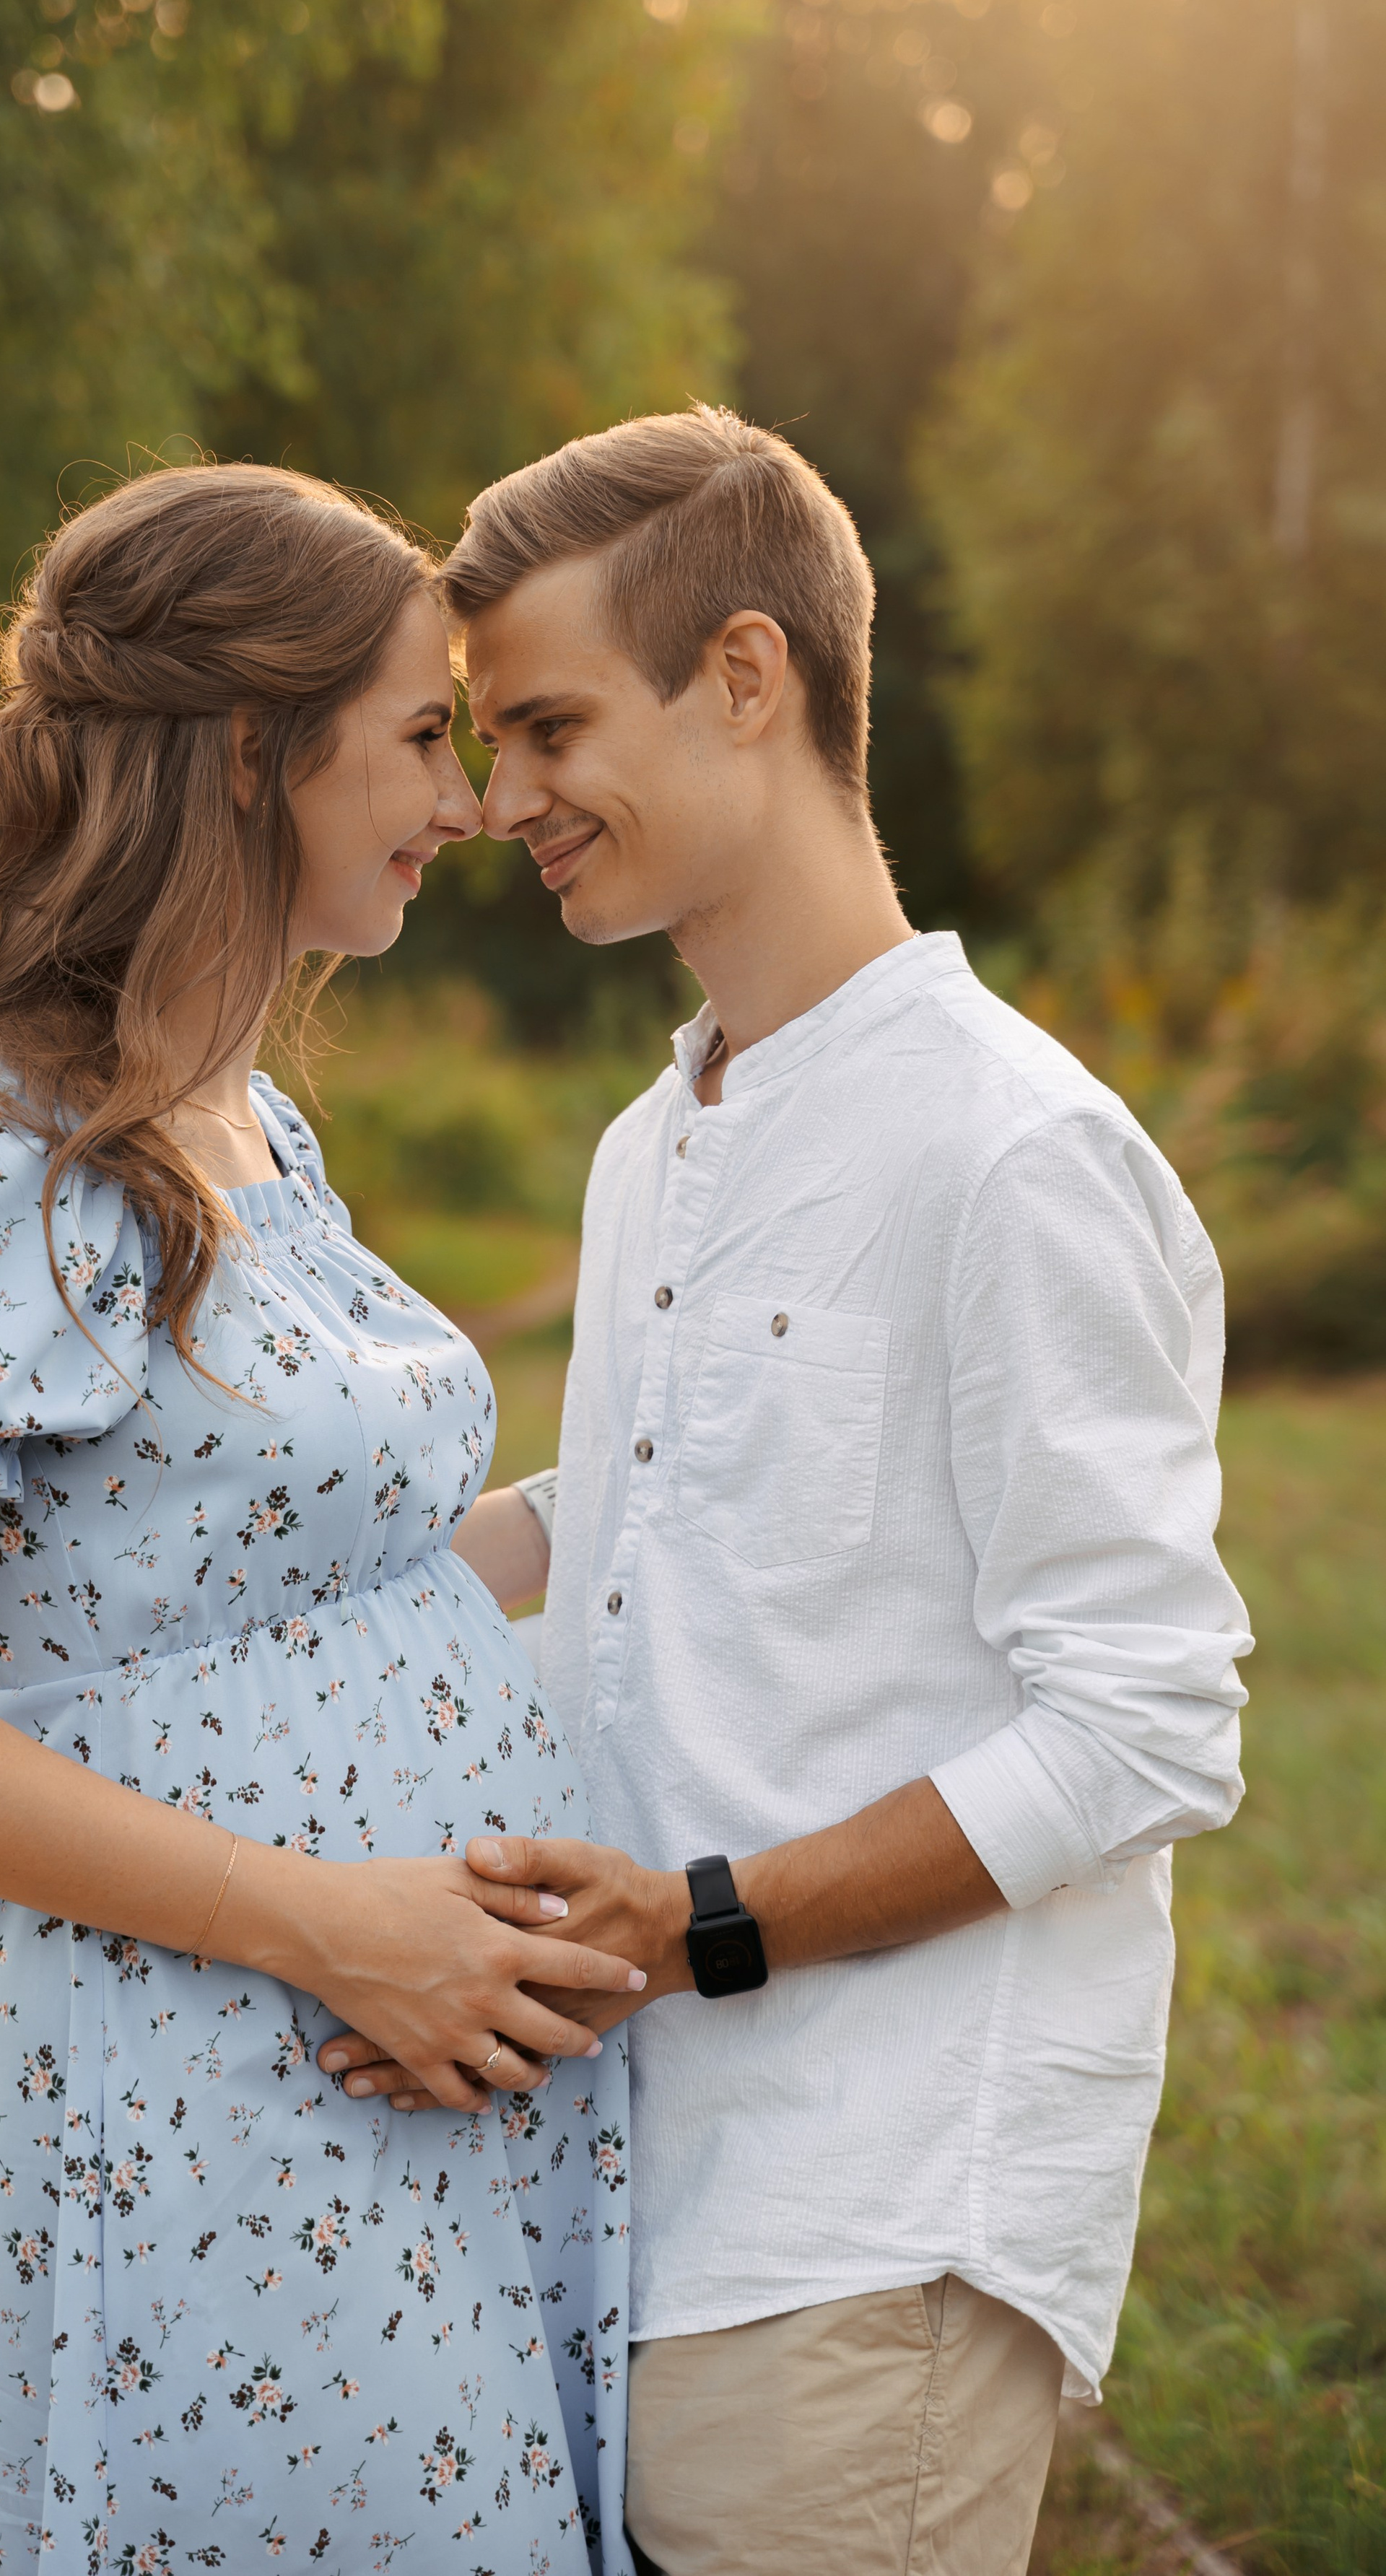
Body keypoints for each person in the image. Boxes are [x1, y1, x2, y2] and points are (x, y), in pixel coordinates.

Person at [317, 407, 1253, 2576]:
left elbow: (1144, 1720)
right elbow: (650, 1508)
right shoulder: (662, 1134)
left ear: (747, 677)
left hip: (873, 2210)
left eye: (548, 724)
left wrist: (697, 1923)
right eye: (482, 736)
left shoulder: (1012, 1150)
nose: (499, 799)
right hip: (645, 2176)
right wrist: (290, 1597)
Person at [0, 460, 645, 2576]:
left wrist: (716, 1486)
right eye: (427, 734)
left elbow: (315, 1574)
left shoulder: (250, 1116)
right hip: (212, 2076)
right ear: (254, 750)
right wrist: (343, 1927)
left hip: (424, 2054)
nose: (474, 796)